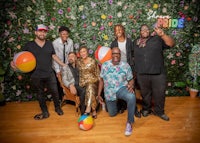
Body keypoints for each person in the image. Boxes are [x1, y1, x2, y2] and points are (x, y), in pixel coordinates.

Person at [10, 24, 65, 120]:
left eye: (44, 31)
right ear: (36, 32)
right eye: (40, 31)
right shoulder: (29, 45)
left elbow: (54, 56)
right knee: (40, 94)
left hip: (49, 73)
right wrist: (14, 64)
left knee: (55, 92)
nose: (42, 33)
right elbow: (21, 58)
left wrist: (63, 64)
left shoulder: (49, 44)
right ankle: (44, 111)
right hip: (36, 74)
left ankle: (57, 108)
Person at [133, 24, 175, 121]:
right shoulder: (136, 42)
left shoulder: (157, 39)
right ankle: (146, 109)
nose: (145, 30)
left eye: (146, 29)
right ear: (140, 32)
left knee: (159, 94)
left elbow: (171, 44)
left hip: (158, 73)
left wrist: (162, 35)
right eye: (142, 29)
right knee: (145, 94)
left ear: (149, 31)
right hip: (142, 74)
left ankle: (159, 112)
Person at [97, 47, 136, 136]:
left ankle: (129, 123)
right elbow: (101, 80)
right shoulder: (105, 65)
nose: (116, 55)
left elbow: (131, 79)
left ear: (120, 55)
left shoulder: (125, 65)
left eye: (117, 54)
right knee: (112, 114)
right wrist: (99, 94)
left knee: (131, 96)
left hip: (121, 89)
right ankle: (118, 104)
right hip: (109, 93)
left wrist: (131, 85)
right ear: (111, 55)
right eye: (114, 54)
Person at [110, 24, 141, 118]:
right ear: (115, 33)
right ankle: (123, 106)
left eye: (119, 29)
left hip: (128, 67)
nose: (118, 31)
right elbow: (112, 56)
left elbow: (133, 54)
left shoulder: (129, 41)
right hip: (118, 68)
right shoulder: (113, 43)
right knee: (120, 86)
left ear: (123, 30)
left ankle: (134, 108)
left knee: (131, 86)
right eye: (116, 30)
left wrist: (134, 67)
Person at [77, 46, 100, 119]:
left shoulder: (93, 61)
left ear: (87, 52)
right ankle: (93, 110)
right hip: (83, 82)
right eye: (81, 52)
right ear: (79, 54)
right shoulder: (78, 62)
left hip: (93, 81)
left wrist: (99, 84)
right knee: (89, 87)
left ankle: (88, 109)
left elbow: (97, 74)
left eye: (84, 51)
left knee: (90, 86)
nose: (83, 53)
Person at [52, 26, 74, 101]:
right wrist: (57, 70)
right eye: (63, 34)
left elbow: (71, 54)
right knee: (59, 82)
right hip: (57, 64)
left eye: (66, 34)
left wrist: (70, 66)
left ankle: (69, 96)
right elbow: (54, 58)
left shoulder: (70, 41)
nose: (65, 35)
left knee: (67, 79)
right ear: (59, 34)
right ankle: (59, 99)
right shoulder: (55, 43)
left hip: (66, 65)